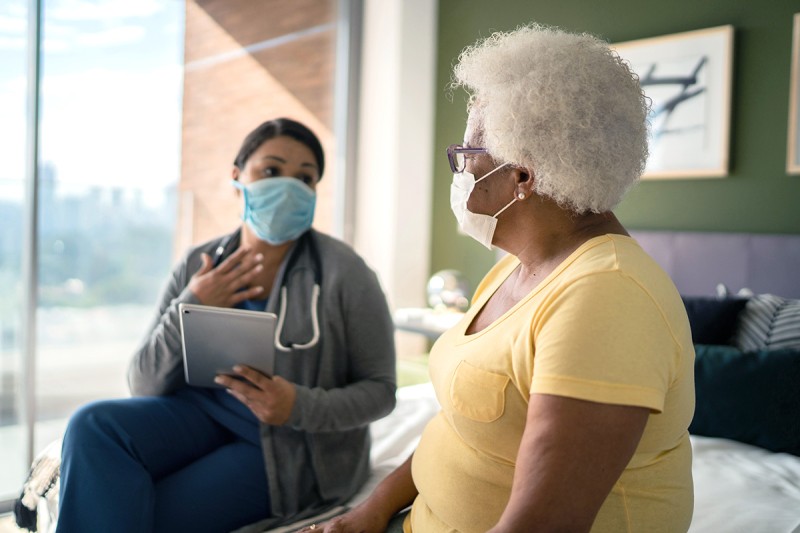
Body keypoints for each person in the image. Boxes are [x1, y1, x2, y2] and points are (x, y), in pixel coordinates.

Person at [310, 23, 695, 533]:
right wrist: (371, 511)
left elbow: (543, 524)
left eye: (468, 154)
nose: (461, 170)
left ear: (522, 177)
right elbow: (460, 424)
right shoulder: (516, 269)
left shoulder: (608, 298)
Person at [56, 118, 397, 533]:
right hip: (197, 416)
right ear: (238, 176)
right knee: (93, 425)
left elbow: (381, 392)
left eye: (304, 178)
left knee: (143, 514)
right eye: (270, 171)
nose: (287, 186)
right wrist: (193, 302)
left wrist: (298, 406)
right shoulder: (199, 263)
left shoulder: (346, 273)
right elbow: (143, 383)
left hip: (285, 445)